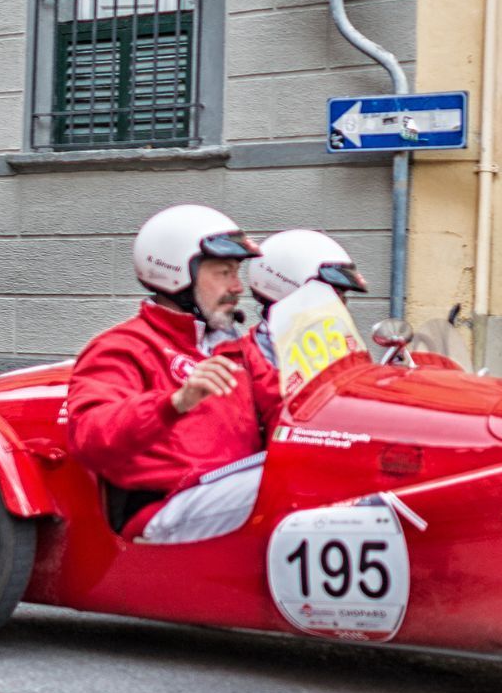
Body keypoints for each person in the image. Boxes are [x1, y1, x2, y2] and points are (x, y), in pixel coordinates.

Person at [66, 204, 267, 544]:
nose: (237, 287)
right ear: (178, 274)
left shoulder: (236, 349)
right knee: (287, 485)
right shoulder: (125, 346)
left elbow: (286, 406)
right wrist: (174, 402)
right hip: (164, 507)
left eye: (237, 273)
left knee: (325, 468)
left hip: (231, 493)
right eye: (223, 273)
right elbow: (90, 435)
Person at [235, 229, 370, 424]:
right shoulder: (247, 356)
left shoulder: (332, 342)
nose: (339, 304)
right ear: (292, 286)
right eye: (332, 293)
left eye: (341, 296)